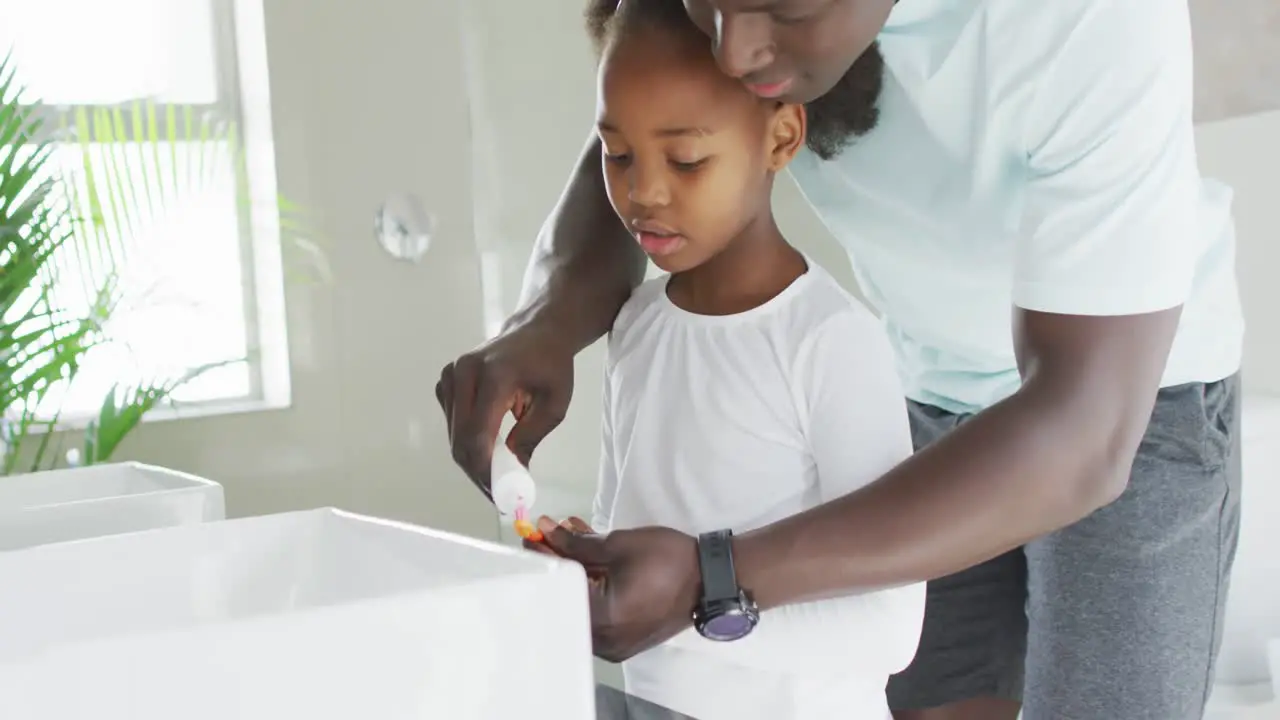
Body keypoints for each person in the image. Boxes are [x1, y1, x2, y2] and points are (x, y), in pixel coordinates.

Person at [437, 0, 1244, 718]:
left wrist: (711, 581)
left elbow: (1082, 431)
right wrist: (541, 326)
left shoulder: (1090, 19)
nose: (734, 50)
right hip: (925, 391)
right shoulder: (729, 40)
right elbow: (646, 129)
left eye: (780, 11)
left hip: (1128, 407)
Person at [531, 1, 927, 717]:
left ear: (780, 136)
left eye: (684, 159)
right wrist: (589, 567)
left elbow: (887, 631)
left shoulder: (831, 343)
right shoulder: (638, 326)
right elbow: (625, 521)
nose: (642, 192)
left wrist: (683, 610)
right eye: (618, 155)